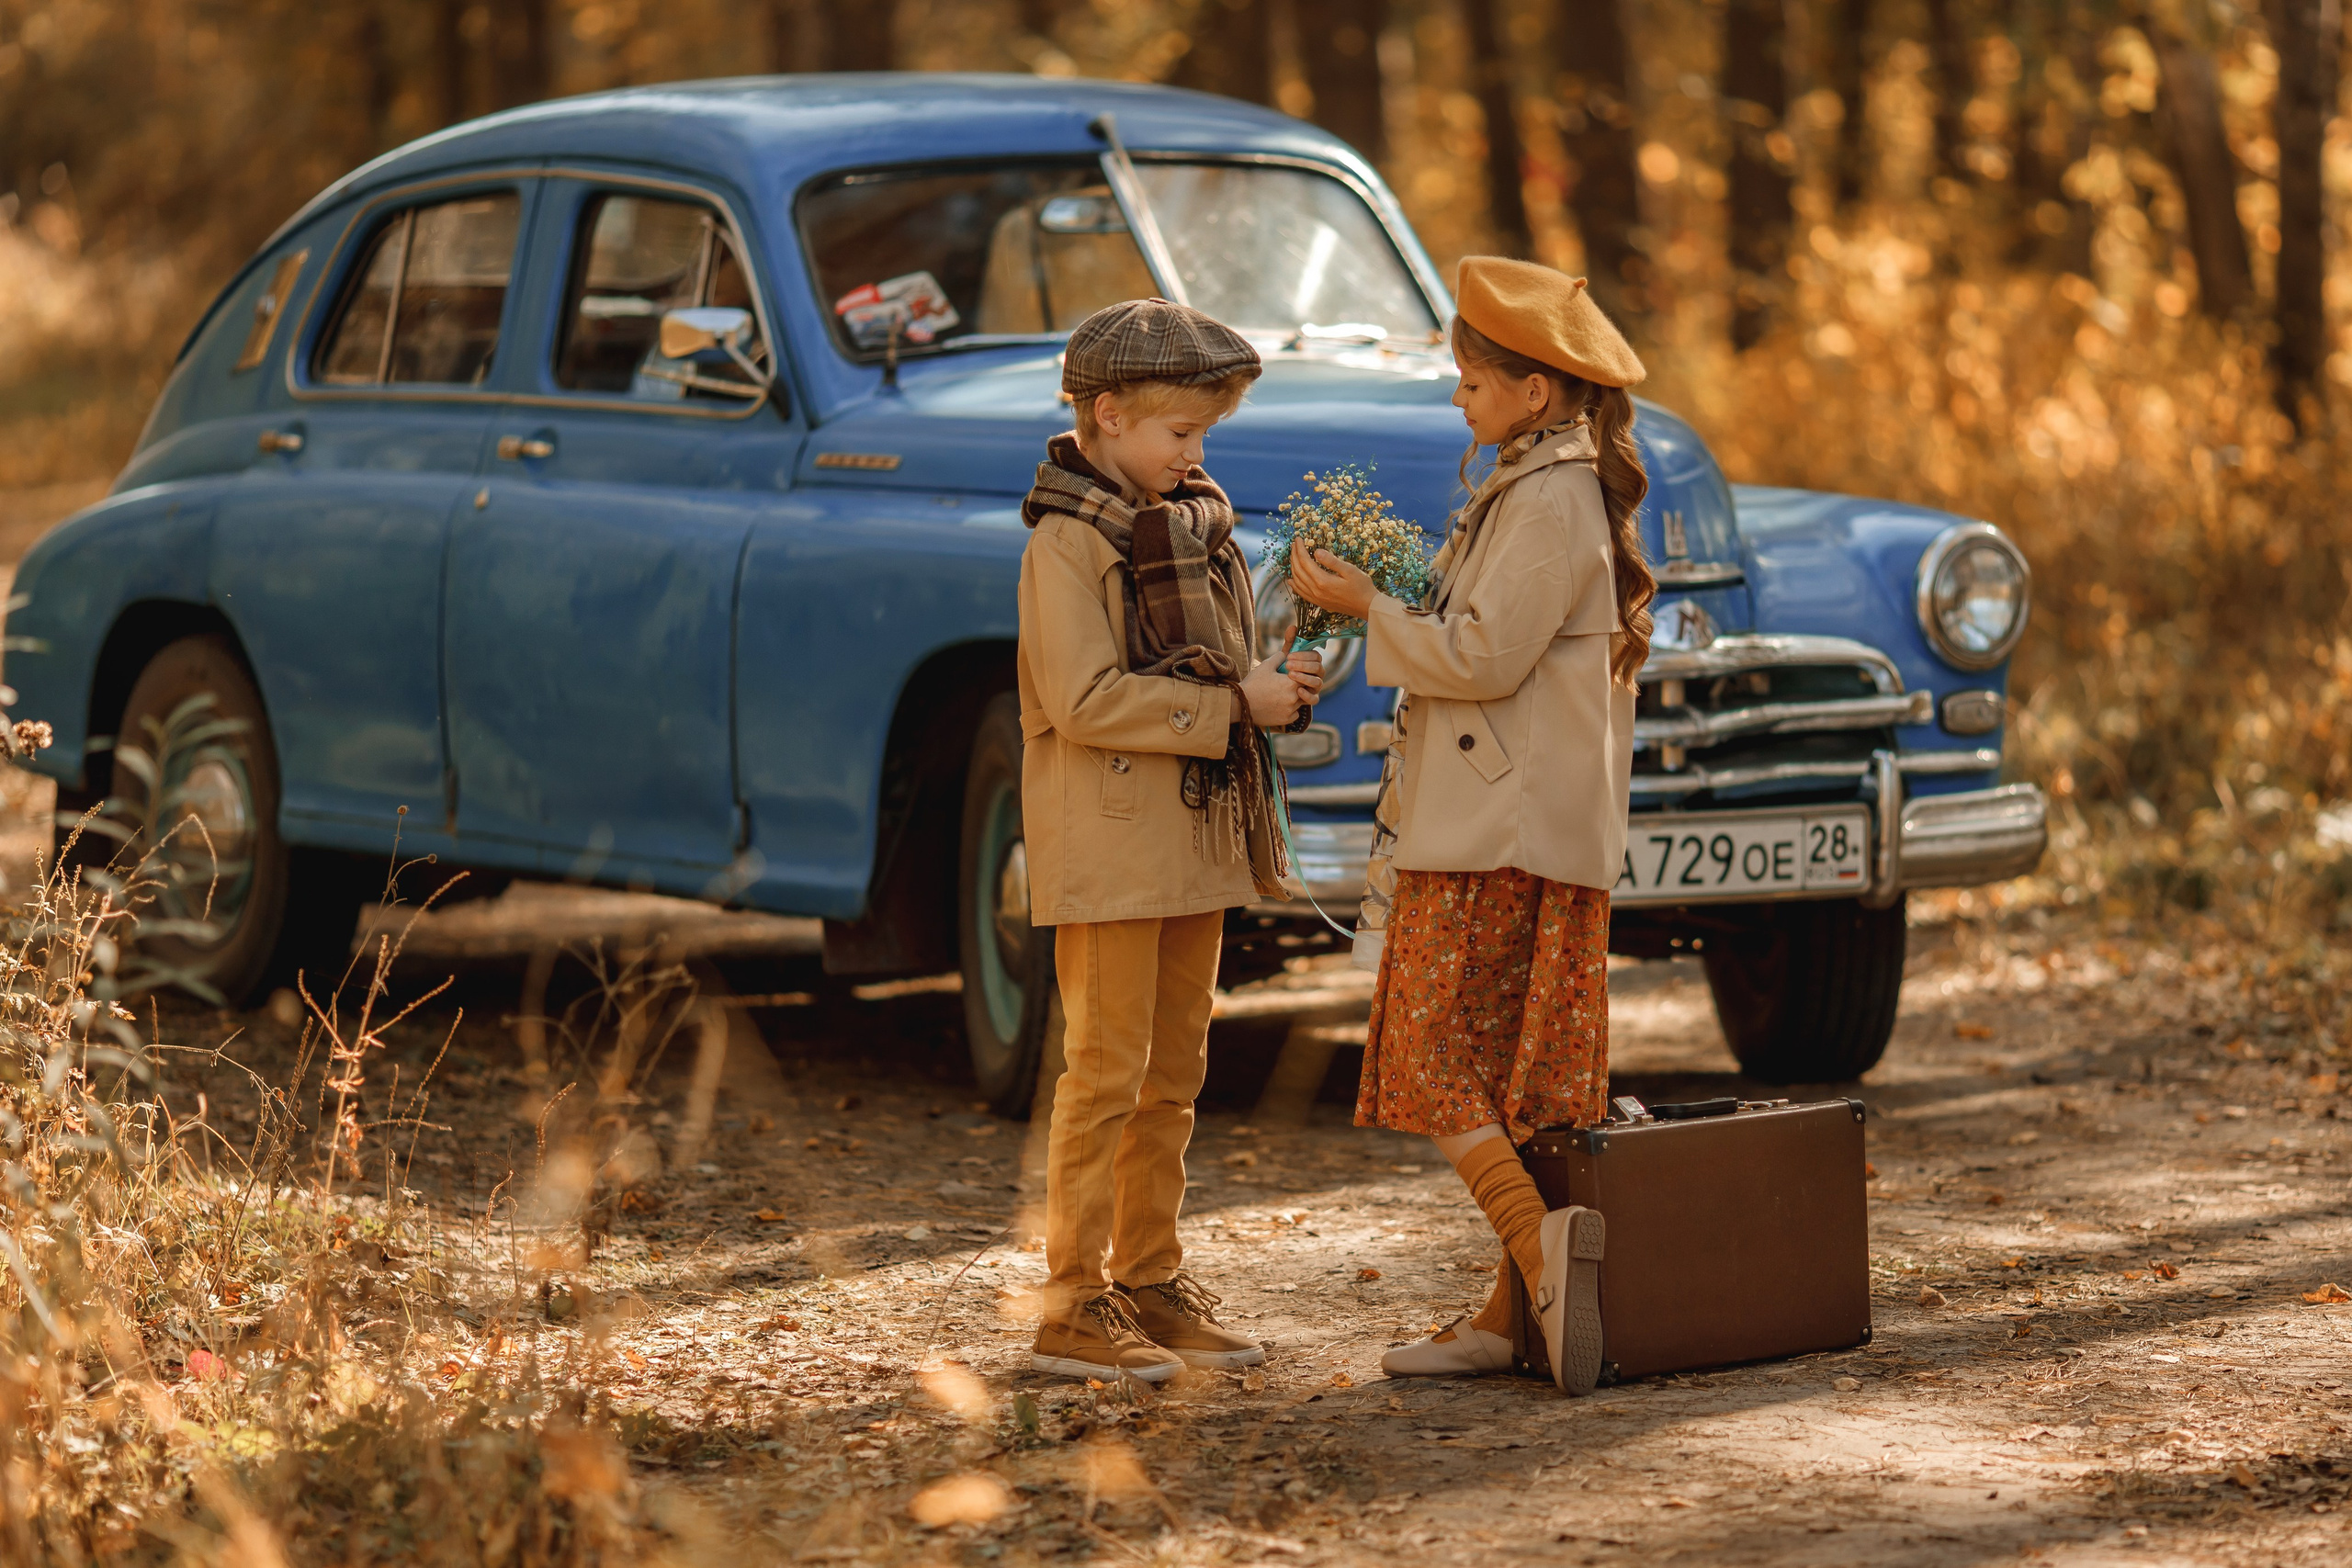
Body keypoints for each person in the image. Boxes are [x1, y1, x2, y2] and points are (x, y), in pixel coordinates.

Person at [1290, 257, 1654, 1394]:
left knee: (1432, 1055)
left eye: (1473, 382)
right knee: (1511, 1081)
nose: (1459, 399)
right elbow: (1490, 630)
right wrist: (1393, 587)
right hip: (1512, 819)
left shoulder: (1548, 498)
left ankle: (1540, 1251)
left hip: (1499, 828)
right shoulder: (1532, 483)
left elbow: (1485, 657)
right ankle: (1515, 1317)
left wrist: (1367, 608)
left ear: (1533, 392)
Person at [1017, 298, 1324, 1382]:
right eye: (1181, 432)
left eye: (1205, 433)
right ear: (1108, 416)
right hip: (1108, 845)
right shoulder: (1066, 541)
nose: (1195, 454)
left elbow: (1214, 667)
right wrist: (1236, 706)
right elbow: (1081, 699)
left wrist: (1273, 680)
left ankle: (1148, 1280)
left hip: (1190, 835)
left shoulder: (1191, 528)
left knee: (1173, 1077)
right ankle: (1070, 1302)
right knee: (1104, 1074)